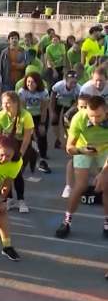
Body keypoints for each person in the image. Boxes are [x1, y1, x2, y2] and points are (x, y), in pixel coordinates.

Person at [55, 95, 108, 239]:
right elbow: (69, 147)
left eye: (98, 116)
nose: (95, 120)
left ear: (106, 111)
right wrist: (82, 150)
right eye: (91, 116)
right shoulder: (79, 118)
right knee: (81, 185)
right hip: (84, 148)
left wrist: (103, 173)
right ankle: (67, 221)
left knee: (106, 185)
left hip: (105, 149)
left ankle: (107, 223)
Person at [0, 91, 34, 214]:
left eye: (8, 103)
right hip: (7, 147)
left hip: (22, 146)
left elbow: (27, 137)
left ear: (16, 103)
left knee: (17, 173)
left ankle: (21, 200)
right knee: (7, 173)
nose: (5, 106)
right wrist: (0, 154)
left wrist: (20, 154)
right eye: (3, 103)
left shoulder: (25, 116)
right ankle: (9, 198)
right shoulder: (0, 116)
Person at [18, 72, 50, 174]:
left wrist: (42, 123)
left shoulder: (43, 92)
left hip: (40, 115)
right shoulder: (22, 92)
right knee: (30, 138)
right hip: (27, 116)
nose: (30, 84)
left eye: (33, 82)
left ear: (38, 83)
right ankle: (33, 158)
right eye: (28, 82)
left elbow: (44, 108)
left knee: (42, 135)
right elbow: (22, 109)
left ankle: (43, 156)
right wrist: (22, 123)